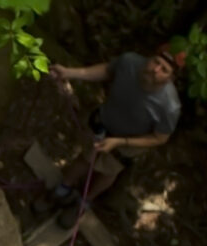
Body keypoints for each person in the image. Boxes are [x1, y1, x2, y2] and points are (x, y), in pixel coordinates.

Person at [40, 45, 184, 227]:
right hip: (104, 122)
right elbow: (107, 71)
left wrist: (119, 142)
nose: (155, 70)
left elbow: (160, 138)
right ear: (150, 57)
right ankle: (62, 189)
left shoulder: (169, 107)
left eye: (164, 69)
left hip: (128, 143)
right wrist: (69, 73)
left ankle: (83, 202)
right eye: (156, 62)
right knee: (85, 159)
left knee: (108, 172)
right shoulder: (129, 62)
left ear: (171, 78)